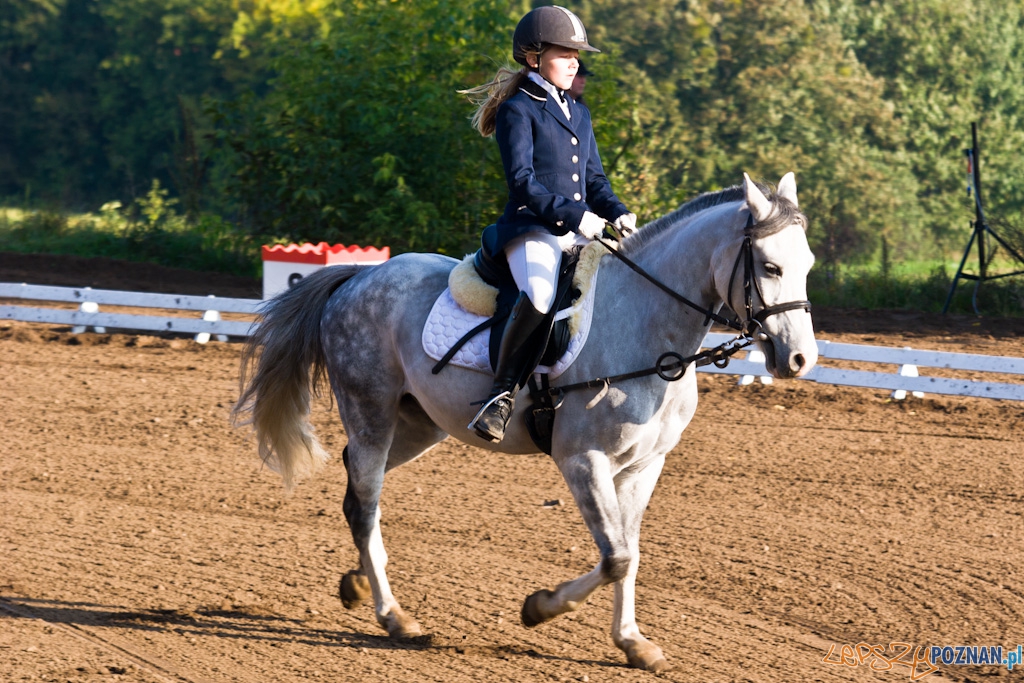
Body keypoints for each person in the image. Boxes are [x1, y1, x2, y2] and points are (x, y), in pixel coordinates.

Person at [460, 5, 636, 443]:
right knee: (539, 294)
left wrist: (616, 210)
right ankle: (499, 397)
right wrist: (578, 217)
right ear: (533, 56)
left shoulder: (578, 112)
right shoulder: (518, 110)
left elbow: (594, 178)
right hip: (531, 230)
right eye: (565, 53)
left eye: (577, 54)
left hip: (579, 231)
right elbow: (523, 182)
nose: (575, 61)